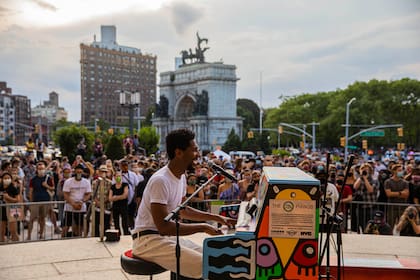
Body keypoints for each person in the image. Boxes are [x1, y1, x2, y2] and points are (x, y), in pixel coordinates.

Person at [132, 128, 236, 279]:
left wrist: (216, 218)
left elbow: (182, 210)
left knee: (215, 257)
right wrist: (204, 227)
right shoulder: (160, 180)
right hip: (148, 241)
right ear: (178, 152)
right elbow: (164, 227)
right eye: (194, 150)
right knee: (208, 266)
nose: (198, 155)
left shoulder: (181, 177)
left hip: (163, 239)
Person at [27, 161, 55, 240]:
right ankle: (29, 236)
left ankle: (41, 234)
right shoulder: (33, 179)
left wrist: (47, 186)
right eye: (39, 169)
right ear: (36, 169)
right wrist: (31, 202)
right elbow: (31, 191)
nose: (41, 170)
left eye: (42, 168)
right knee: (31, 219)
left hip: (45, 201)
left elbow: (53, 188)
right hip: (36, 202)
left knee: (42, 219)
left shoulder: (48, 178)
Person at [62, 164, 92, 237]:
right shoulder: (68, 182)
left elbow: (88, 193)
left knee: (80, 227)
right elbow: (65, 194)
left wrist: (82, 201)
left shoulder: (86, 182)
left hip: (81, 208)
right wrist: (73, 203)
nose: (79, 174)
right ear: (74, 172)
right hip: (69, 208)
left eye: (80, 172)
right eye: (77, 172)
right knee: (65, 227)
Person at [353, 163, 379, 233]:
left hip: (370, 206)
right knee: (360, 225)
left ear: (370, 171)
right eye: (362, 169)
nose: (364, 171)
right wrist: (361, 176)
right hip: (360, 207)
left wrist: (365, 179)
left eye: (366, 170)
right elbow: (355, 187)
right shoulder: (359, 179)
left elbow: (370, 190)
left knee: (369, 226)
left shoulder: (374, 180)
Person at [120, 160, 142, 230]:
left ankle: (132, 227)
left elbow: (136, 185)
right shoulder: (118, 175)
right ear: (120, 167)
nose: (125, 167)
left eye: (126, 165)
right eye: (123, 166)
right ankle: (125, 229)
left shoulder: (133, 175)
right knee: (124, 215)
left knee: (131, 214)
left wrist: (135, 197)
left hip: (132, 197)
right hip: (123, 198)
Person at [91, 165, 112, 237]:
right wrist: (98, 203)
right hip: (97, 207)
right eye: (101, 171)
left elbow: (110, 194)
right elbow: (93, 194)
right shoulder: (94, 182)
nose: (103, 173)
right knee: (96, 224)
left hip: (106, 206)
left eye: (105, 172)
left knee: (106, 224)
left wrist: (103, 202)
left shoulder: (110, 183)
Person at [0, 172, 22, 242]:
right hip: (1, 211)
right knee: (1, 231)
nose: (6, 180)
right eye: (5, 178)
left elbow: (18, 199)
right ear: (2, 179)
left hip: (12, 210)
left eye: (8, 178)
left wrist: (8, 198)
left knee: (13, 231)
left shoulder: (13, 188)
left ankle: (16, 245)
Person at [109, 170, 130, 235]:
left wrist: (116, 197)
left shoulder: (125, 185)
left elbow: (125, 195)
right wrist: (117, 197)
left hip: (123, 206)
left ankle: (126, 235)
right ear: (114, 177)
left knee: (125, 223)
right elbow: (110, 198)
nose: (118, 177)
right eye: (117, 176)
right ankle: (118, 235)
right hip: (115, 207)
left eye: (119, 176)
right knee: (116, 223)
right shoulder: (112, 186)